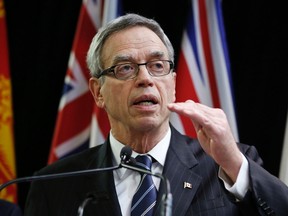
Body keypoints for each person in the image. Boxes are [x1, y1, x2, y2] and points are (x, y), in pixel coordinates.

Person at [24, 13, 288, 216]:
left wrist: (234, 164)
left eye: (157, 65)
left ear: (172, 85)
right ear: (98, 92)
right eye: (125, 68)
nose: (145, 78)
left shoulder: (227, 164)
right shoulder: (53, 186)